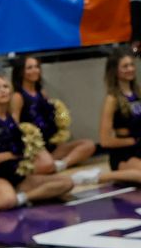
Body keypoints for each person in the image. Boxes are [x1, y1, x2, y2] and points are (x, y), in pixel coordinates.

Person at [0, 75, 73, 210]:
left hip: (15, 175)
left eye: (6, 87)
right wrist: (7, 156)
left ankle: (23, 198)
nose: (3, 91)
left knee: (66, 182)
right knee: (6, 201)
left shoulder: (11, 117)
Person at [10, 55, 96, 174]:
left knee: (88, 145)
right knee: (46, 162)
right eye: (29, 68)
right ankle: (47, 165)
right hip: (34, 148)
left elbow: (54, 114)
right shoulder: (17, 96)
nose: (35, 70)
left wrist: (63, 120)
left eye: (36, 67)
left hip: (51, 144)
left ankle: (61, 164)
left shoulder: (42, 93)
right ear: (21, 72)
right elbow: (14, 125)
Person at [100, 47, 141, 175]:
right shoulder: (111, 99)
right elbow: (105, 141)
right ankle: (101, 177)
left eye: (131, 65)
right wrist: (134, 141)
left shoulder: (138, 93)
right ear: (115, 71)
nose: (130, 69)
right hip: (124, 154)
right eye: (125, 66)